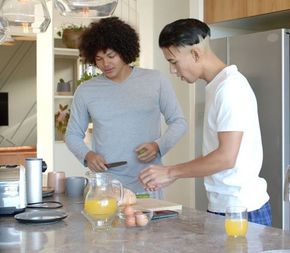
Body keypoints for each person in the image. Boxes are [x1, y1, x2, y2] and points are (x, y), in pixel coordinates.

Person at [139, 18, 271, 226]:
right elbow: (217, 152)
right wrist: (173, 175)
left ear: (196, 54)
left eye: (173, 62)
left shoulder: (230, 89)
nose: (173, 71)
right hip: (225, 208)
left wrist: (171, 171)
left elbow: (226, 157)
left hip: (241, 211)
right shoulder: (217, 87)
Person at [65, 17, 187, 197]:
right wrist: (88, 156)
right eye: (98, 59)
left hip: (148, 183)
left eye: (111, 56)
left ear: (124, 50)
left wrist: (158, 146)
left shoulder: (155, 80)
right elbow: (72, 134)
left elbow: (179, 122)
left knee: (150, 226)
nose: (105, 64)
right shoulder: (86, 91)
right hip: (107, 186)